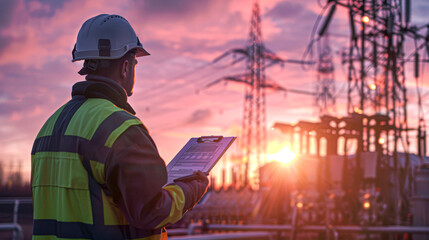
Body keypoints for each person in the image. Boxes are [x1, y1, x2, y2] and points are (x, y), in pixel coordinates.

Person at [31, 14, 209, 240]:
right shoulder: (122, 129)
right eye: (135, 62)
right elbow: (150, 211)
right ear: (125, 67)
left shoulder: (48, 128)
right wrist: (192, 190)